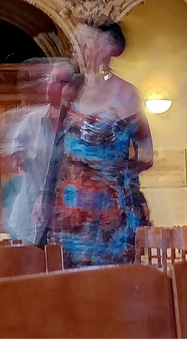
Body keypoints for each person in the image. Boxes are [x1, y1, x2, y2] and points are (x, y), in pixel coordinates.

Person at [48, 22, 151, 267]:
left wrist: (107, 171)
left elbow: (146, 155)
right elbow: (57, 151)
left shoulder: (127, 94)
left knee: (112, 286)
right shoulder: (71, 94)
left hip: (111, 213)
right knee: (71, 290)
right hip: (70, 214)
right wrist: (45, 199)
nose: (80, 49)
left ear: (108, 47)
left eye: (87, 42)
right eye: (77, 43)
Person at [0, 57, 76, 245]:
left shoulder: (80, 124)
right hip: (29, 218)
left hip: (69, 218)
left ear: (71, 87)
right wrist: (15, 160)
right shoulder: (30, 122)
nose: (48, 85)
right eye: (48, 79)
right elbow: (11, 161)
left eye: (56, 80)